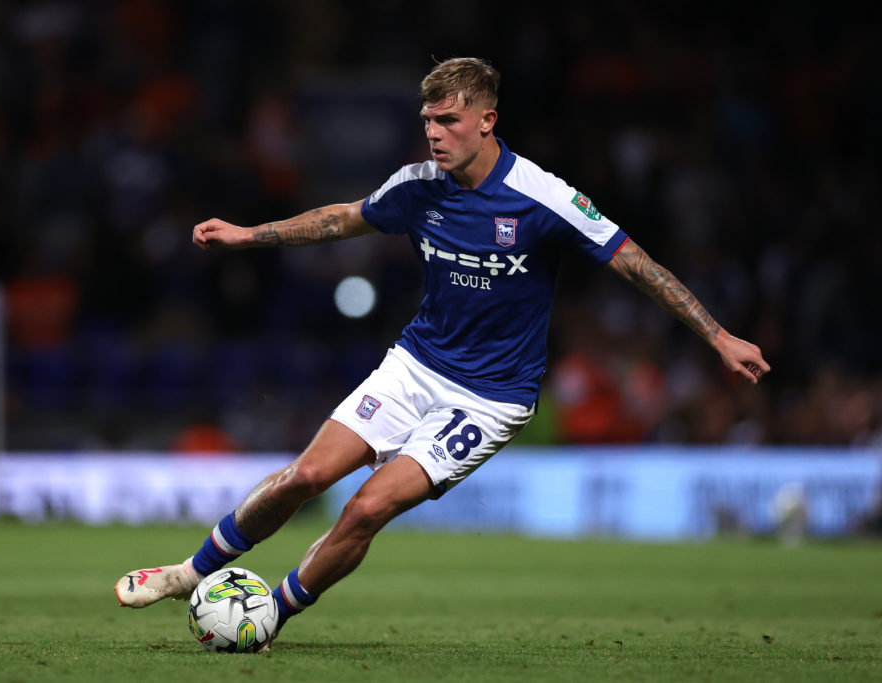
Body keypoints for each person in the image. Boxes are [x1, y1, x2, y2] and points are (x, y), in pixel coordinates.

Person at [114, 57, 770, 643]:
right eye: (428, 119)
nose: (434, 133)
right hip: (416, 364)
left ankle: (271, 614)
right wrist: (251, 234)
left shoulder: (542, 197)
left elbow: (636, 264)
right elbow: (342, 217)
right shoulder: (418, 185)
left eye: (449, 120)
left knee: (368, 505)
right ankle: (187, 572)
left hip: (490, 398)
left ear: (487, 120)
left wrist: (716, 335)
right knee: (309, 475)